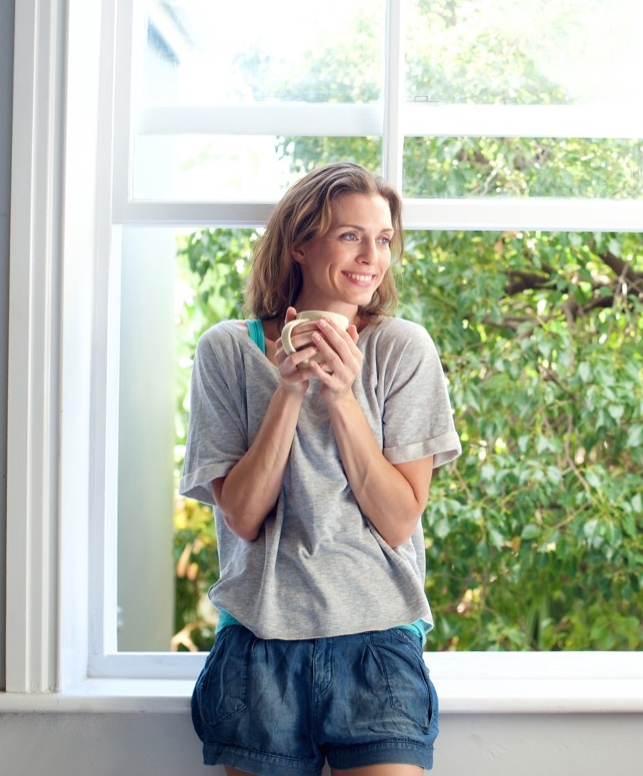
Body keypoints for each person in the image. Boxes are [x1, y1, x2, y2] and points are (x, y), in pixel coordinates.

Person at [179, 162, 461, 776]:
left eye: (383, 239)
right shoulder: (226, 350)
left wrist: (340, 394)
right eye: (351, 235)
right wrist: (290, 389)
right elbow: (245, 516)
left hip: (378, 642)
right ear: (301, 244)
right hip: (259, 646)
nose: (372, 257)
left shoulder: (402, 349)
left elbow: (397, 519)